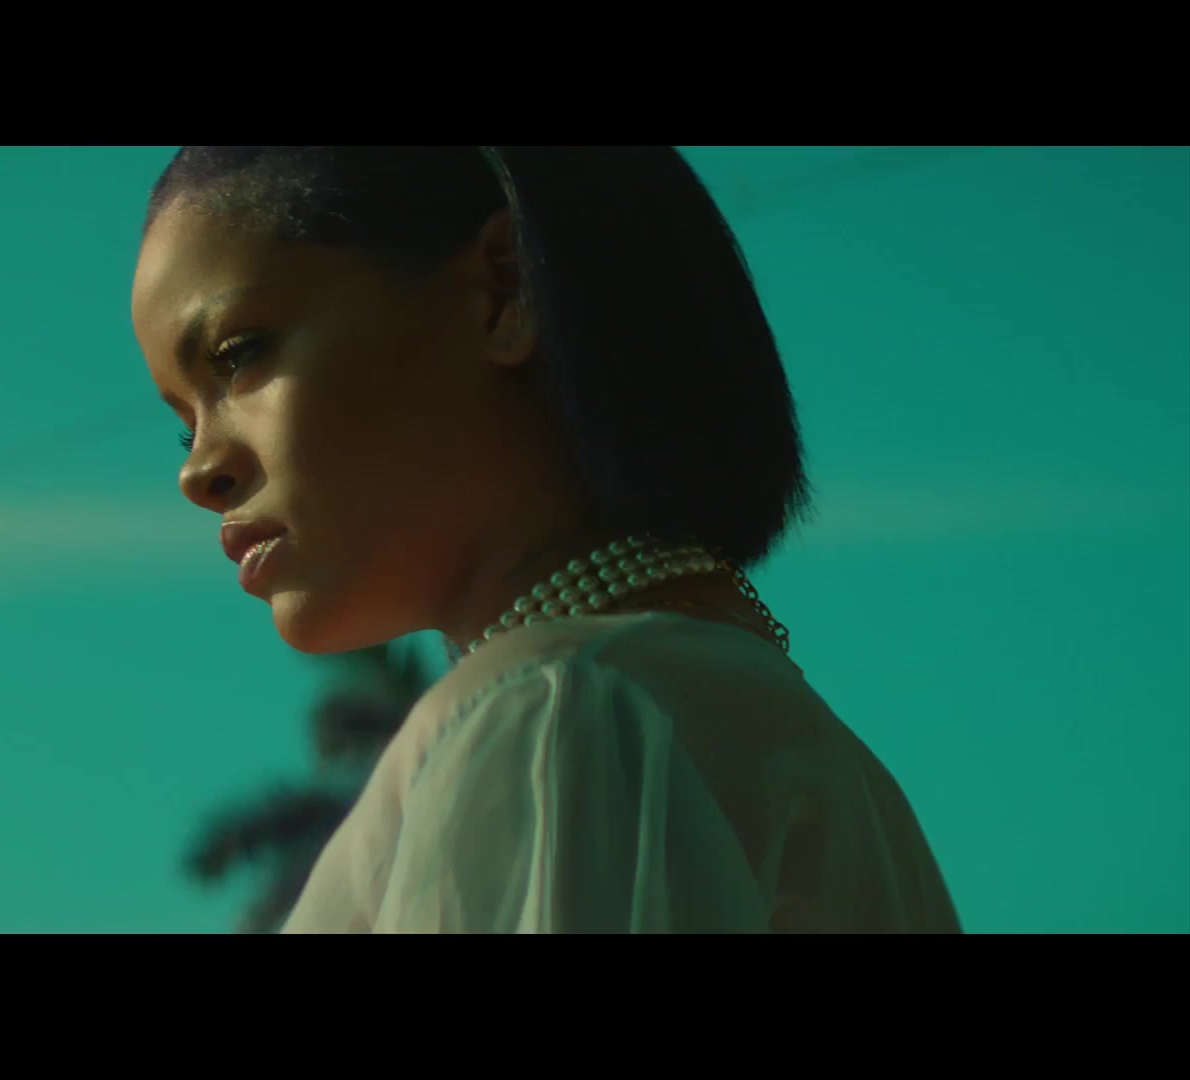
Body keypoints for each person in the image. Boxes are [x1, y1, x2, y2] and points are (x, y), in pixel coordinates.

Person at [130, 146, 963, 933]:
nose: (197, 472)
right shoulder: (829, 767)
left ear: (504, 288)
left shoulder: (550, 714)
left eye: (239, 355)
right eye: (183, 424)